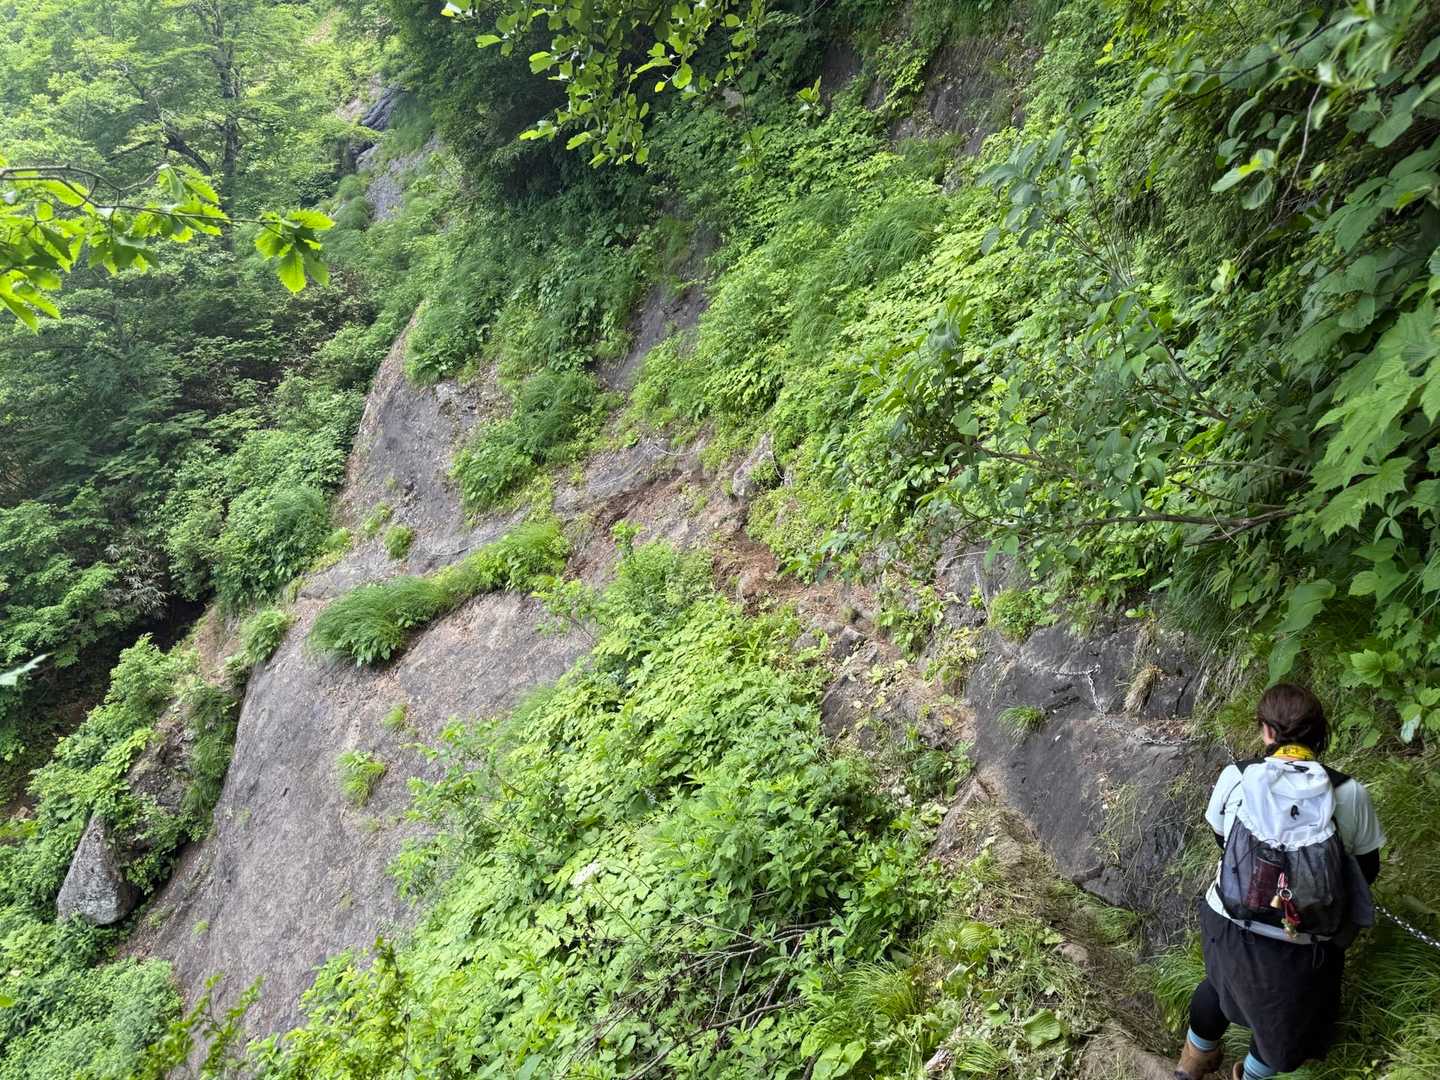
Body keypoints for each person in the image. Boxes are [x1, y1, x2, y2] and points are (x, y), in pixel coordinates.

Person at [1173, 683, 1385, 1080]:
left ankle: (1190, 1067)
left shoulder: (1238, 776)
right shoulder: (1349, 793)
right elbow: (1367, 867)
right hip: (1304, 941)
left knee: (1218, 987)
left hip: (1230, 921)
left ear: (1267, 730)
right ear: (1319, 733)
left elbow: (1222, 837)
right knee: (1289, 1024)